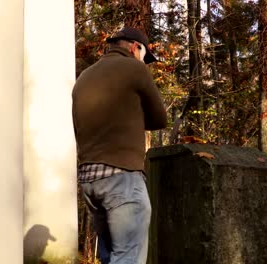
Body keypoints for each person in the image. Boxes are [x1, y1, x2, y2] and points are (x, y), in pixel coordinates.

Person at [72, 27, 167, 264]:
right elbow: (159, 118)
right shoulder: (134, 68)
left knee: (110, 256)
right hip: (122, 178)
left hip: (89, 180)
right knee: (127, 258)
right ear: (135, 48)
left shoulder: (84, 76)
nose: (145, 63)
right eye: (145, 57)